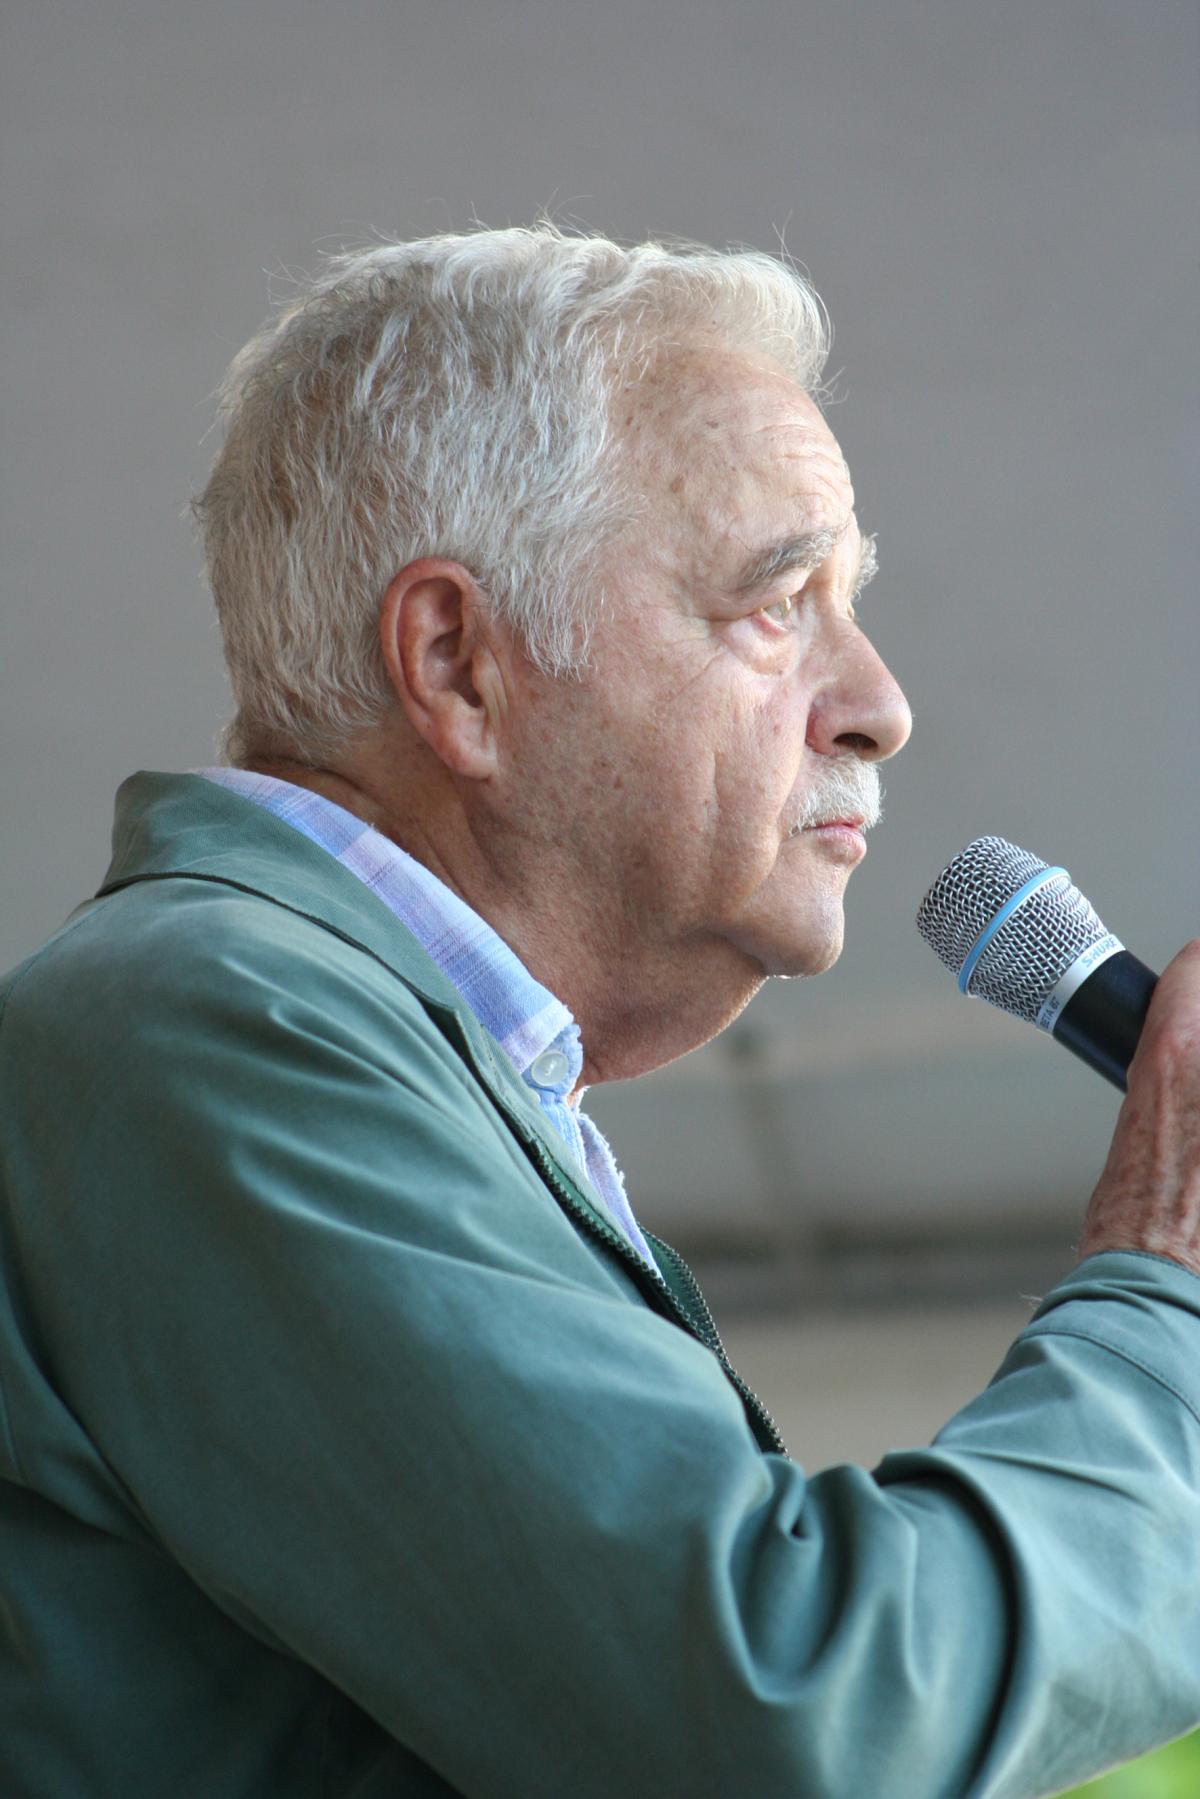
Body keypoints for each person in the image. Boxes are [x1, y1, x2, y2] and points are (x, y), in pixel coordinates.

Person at [1, 226, 1197, 1799]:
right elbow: (793, 1713)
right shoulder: (215, 1019)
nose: (880, 701)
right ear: (460, 667)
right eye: (781, 601)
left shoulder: (311, 1040)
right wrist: (1170, 1290)